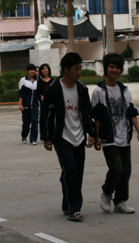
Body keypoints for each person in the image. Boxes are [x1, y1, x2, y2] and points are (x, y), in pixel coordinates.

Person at [40, 53, 95, 221]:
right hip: (62, 137)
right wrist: (46, 137)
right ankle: (74, 208)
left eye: (80, 68)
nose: (79, 72)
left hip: (79, 137)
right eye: (76, 69)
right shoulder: (54, 89)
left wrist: (92, 133)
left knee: (76, 172)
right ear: (66, 69)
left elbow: (87, 113)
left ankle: (67, 204)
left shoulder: (82, 89)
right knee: (70, 170)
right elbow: (45, 114)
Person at [92, 53, 139, 214]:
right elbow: (96, 117)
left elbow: (132, 112)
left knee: (126, 170)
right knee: (116, 168)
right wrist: (95, 137)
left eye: (118, 68)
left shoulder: (124, 90)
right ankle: (107, 193)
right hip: (108, 137)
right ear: (106, 69)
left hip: (124, 137)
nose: (115, 70)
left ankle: (120, 201)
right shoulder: (99, 91)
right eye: (112, 67)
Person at [18, 64, 39, 145]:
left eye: (34, 70)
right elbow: (21, 94)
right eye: (31, 70)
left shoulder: (38, 81)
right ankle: (24, 136)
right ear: (28, 71)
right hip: (26, 106)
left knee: (35, 121)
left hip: (35, 106)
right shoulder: (23, 80)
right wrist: (20, 104)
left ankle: (33, 139)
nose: (32, 71)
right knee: (26, 123)